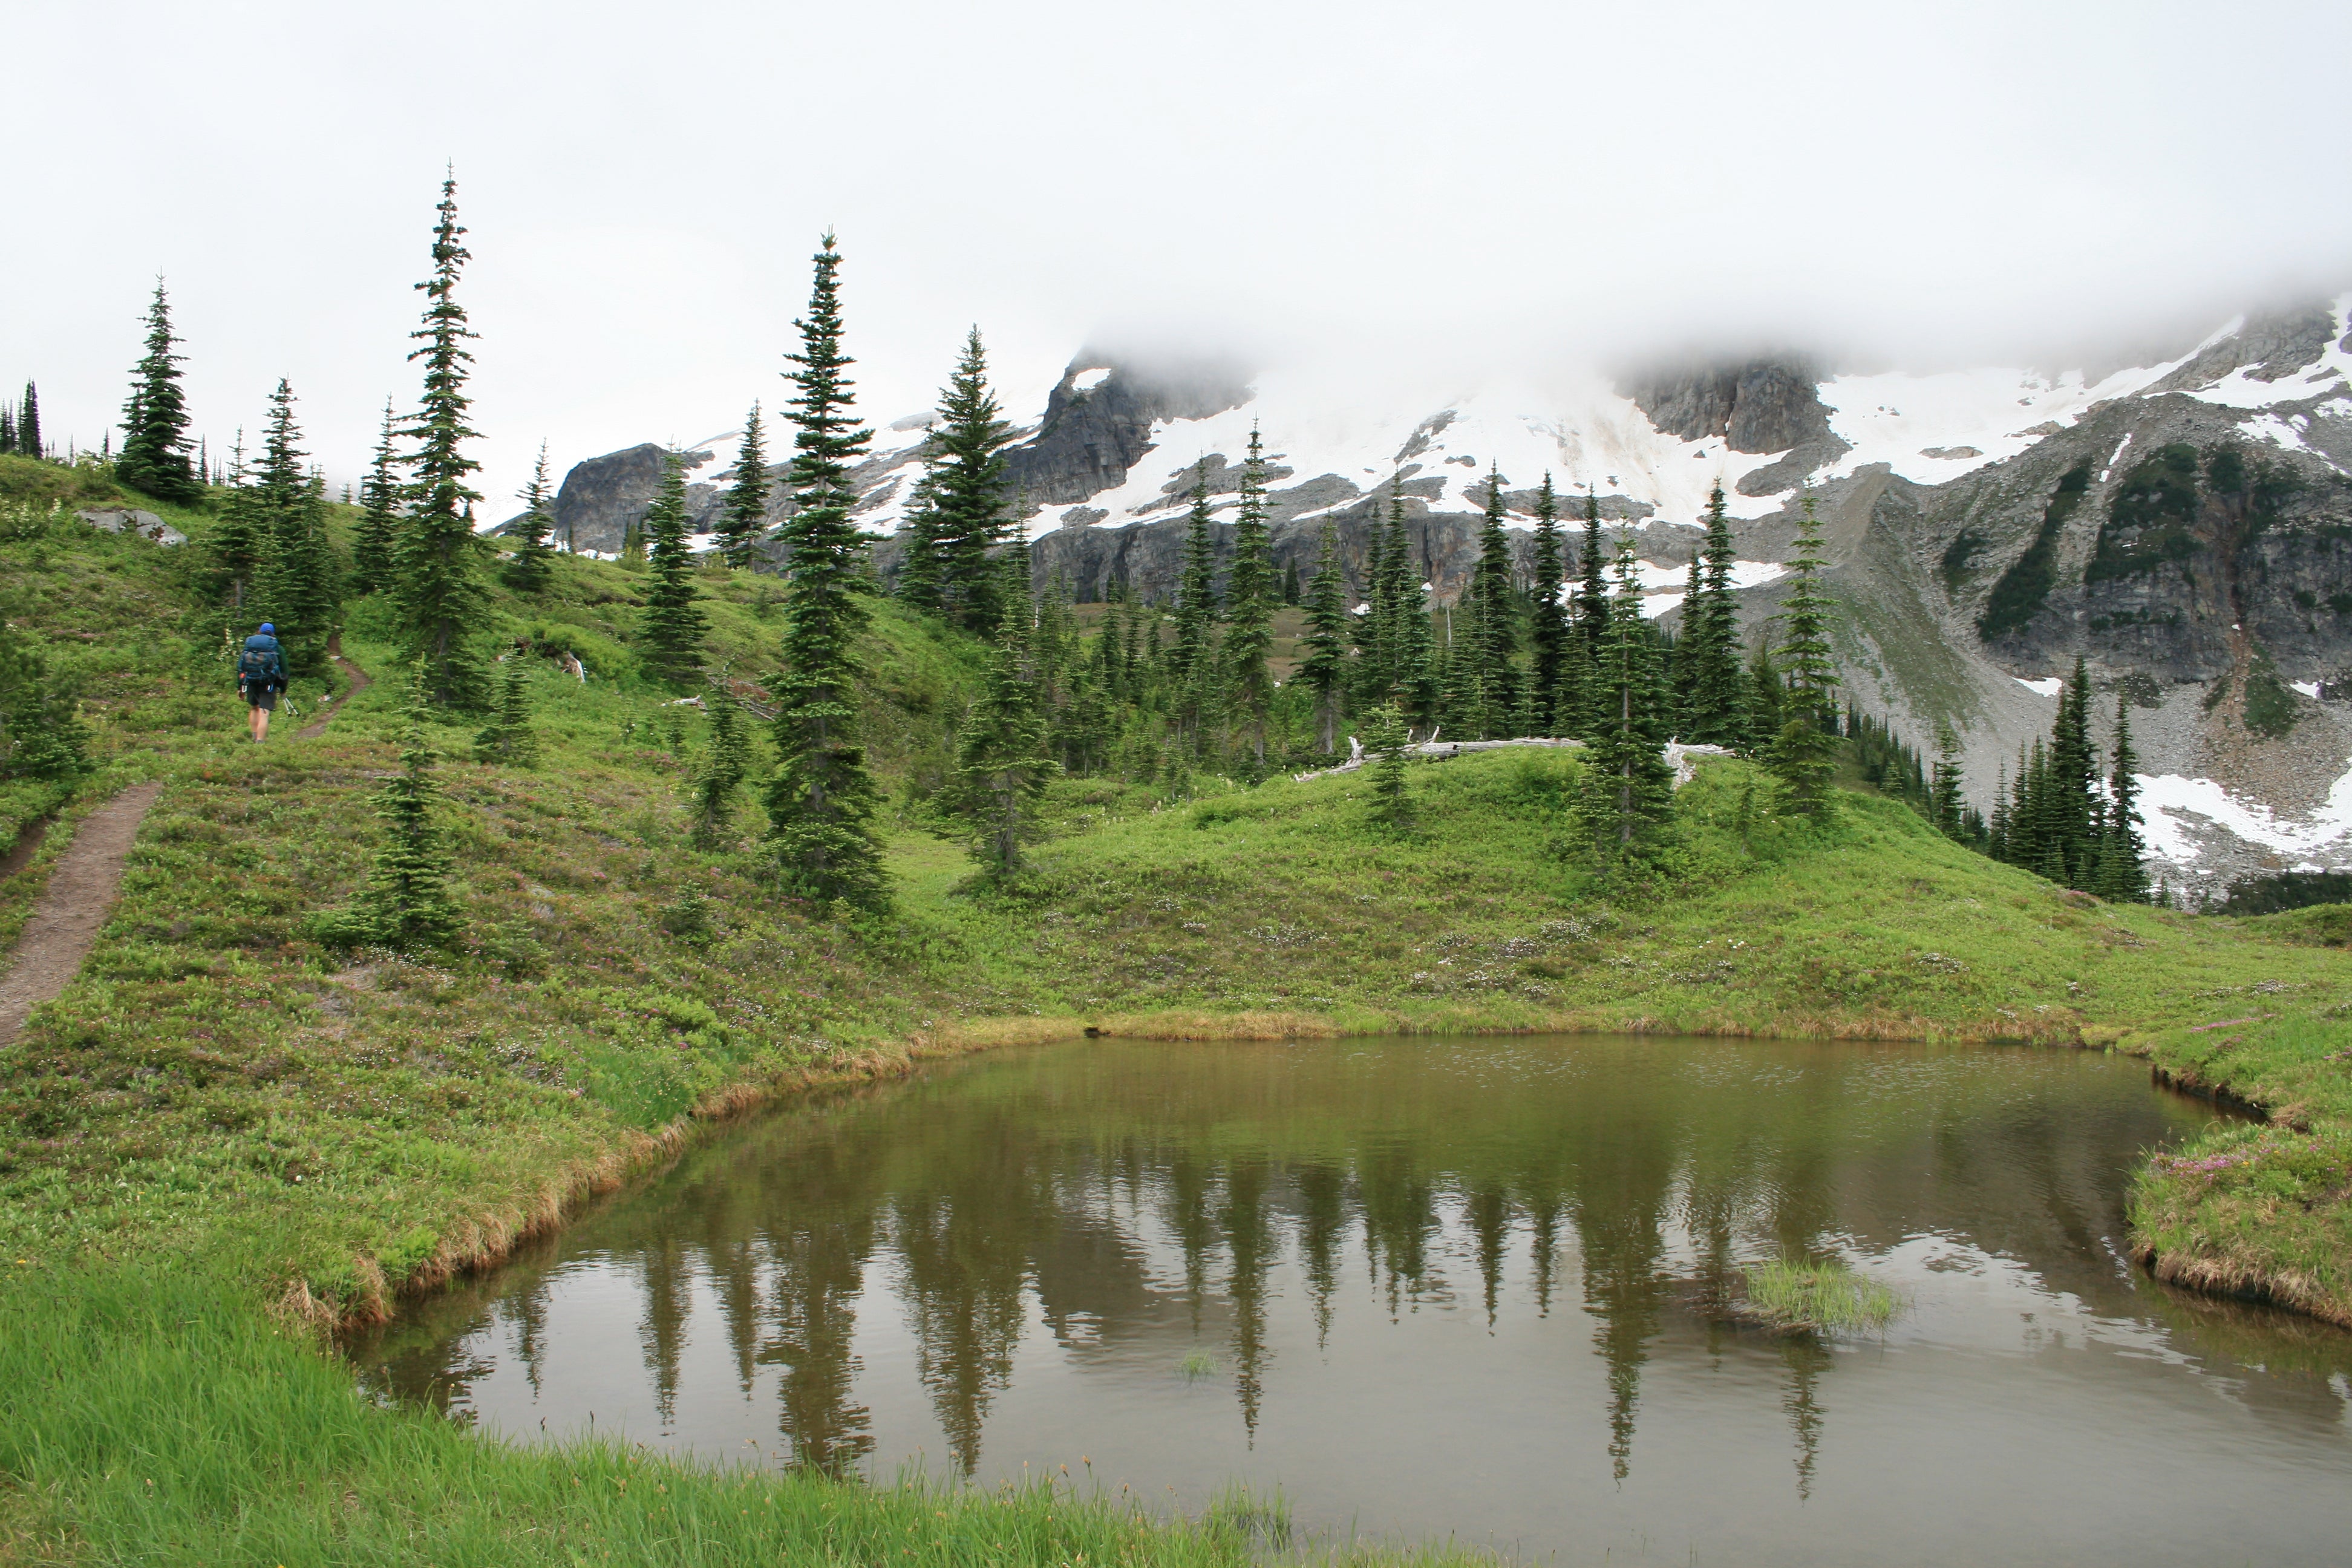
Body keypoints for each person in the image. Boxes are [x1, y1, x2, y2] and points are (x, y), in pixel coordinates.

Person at [237, 622, 287, 742]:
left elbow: (241, 668)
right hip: (269, 683)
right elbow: (284, 671)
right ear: (273, 633)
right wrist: (283, 689)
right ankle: (260, 741)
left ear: (259, 631)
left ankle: (254, 736)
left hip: (251, 682)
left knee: (254, 708)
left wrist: (240, 687)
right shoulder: (277, 648)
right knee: (264, 712)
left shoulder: (249, 648)